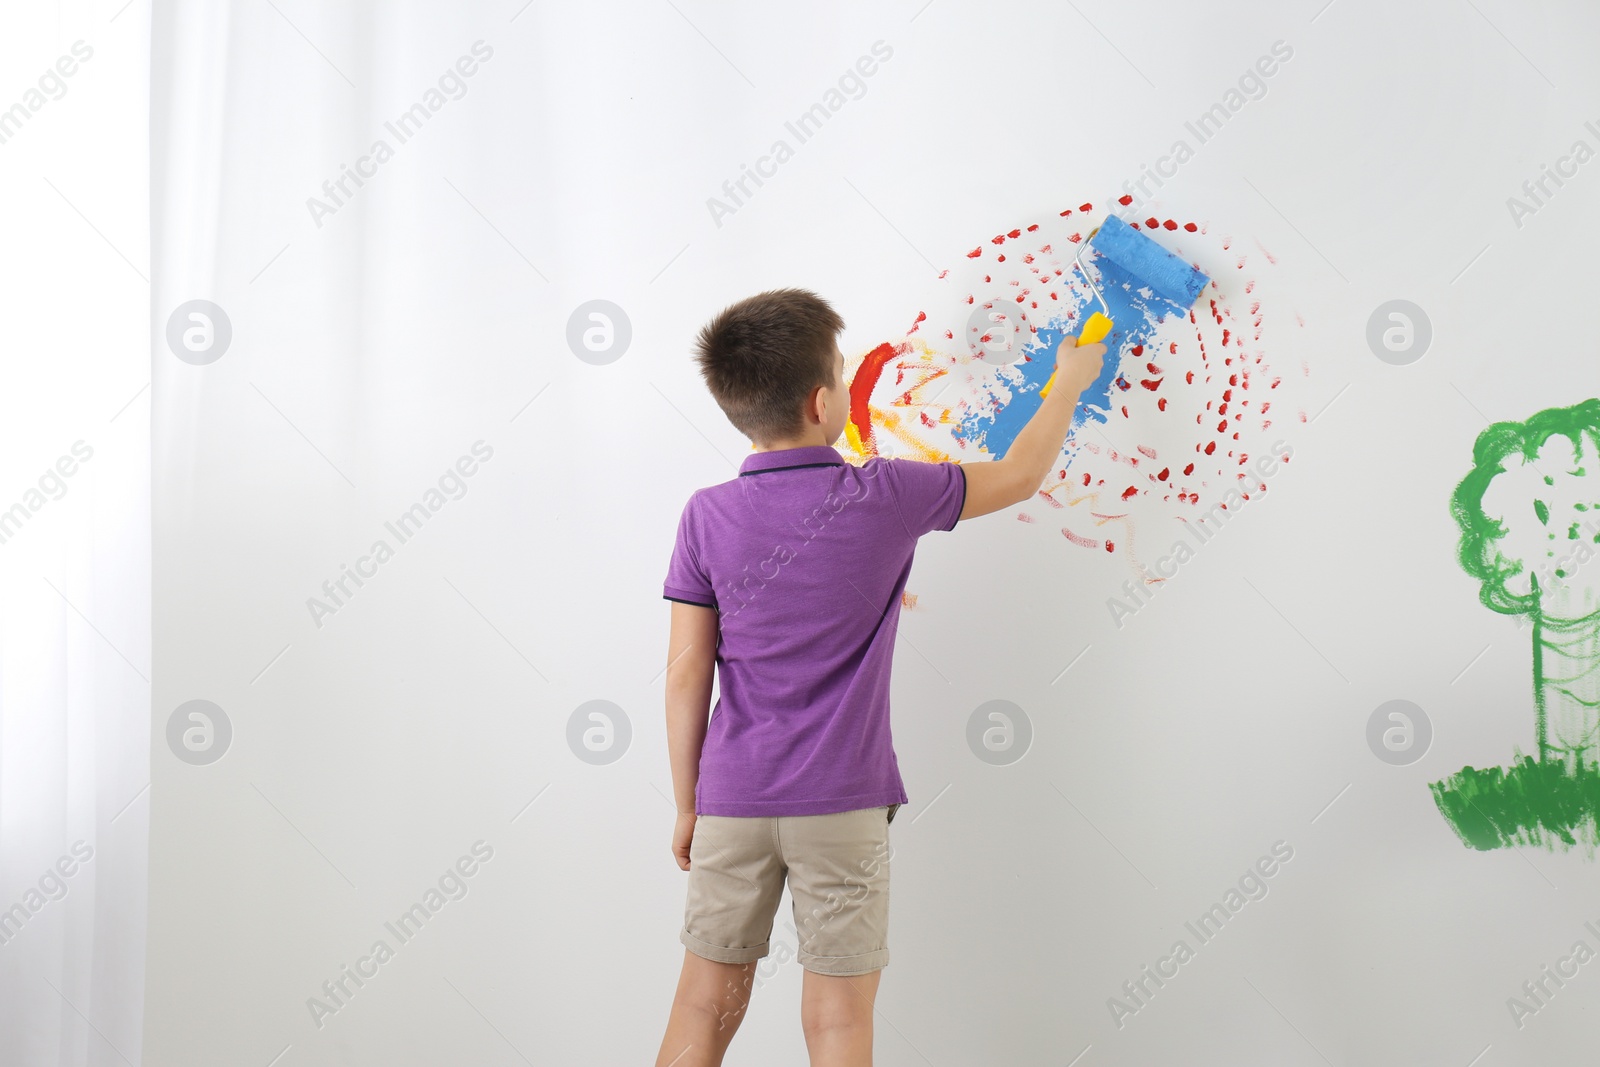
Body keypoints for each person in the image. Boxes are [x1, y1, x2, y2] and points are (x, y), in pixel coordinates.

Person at [654, 288, 1105, 1066]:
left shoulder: (705, 515)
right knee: (837, 1021)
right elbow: (1022, 475)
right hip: (844, 804)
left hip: (733, 796)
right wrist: (1068, 379)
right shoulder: (886, 493)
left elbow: (687, 671)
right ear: (824, 399)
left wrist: (688, 801)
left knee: (704, 1001)